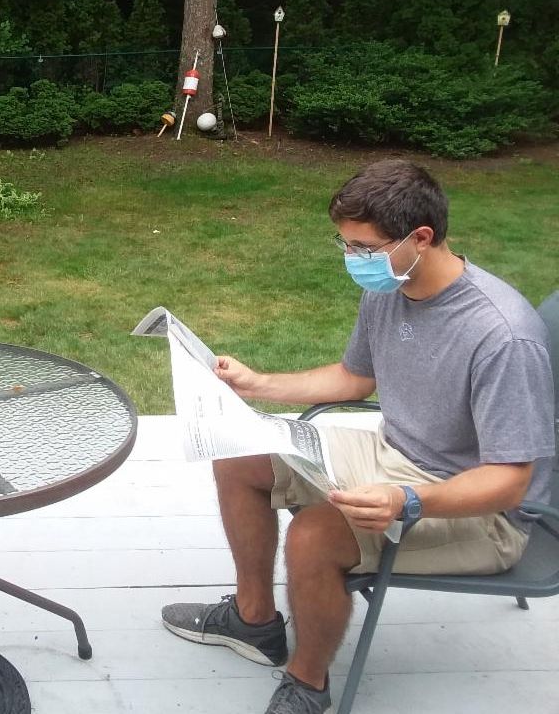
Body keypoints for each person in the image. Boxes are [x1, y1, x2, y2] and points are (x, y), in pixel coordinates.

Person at [160, 160, 555, 714]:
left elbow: (512, 481)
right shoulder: (392, 286)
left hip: (478, 508)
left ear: (421, 237)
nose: (353, 260)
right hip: (393, 452)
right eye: (345, 244)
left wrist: (409, 500)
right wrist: (257, 383)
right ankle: (255, 621)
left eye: (364, 247)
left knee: (316, 536)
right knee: (239, 453)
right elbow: (355, 377)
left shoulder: (503, 336)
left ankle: (308, 683)